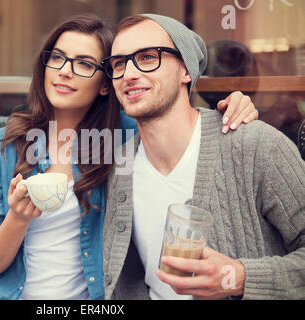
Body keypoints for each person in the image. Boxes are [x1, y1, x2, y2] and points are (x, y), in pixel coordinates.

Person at [0, 13, 257, 300]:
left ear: (105, 83)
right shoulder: (0, 148)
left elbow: (178, 122)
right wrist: (18, 219)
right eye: (58, 58)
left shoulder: (127, 138)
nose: (65, 71)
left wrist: (234, 105)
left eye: (84, 64)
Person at [101, 13, 305, 300]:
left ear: (186, 70)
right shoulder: (118, 167)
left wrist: (238, 278)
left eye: (148, 57)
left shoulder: (254, 145)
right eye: (119, 64)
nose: (130, 74)